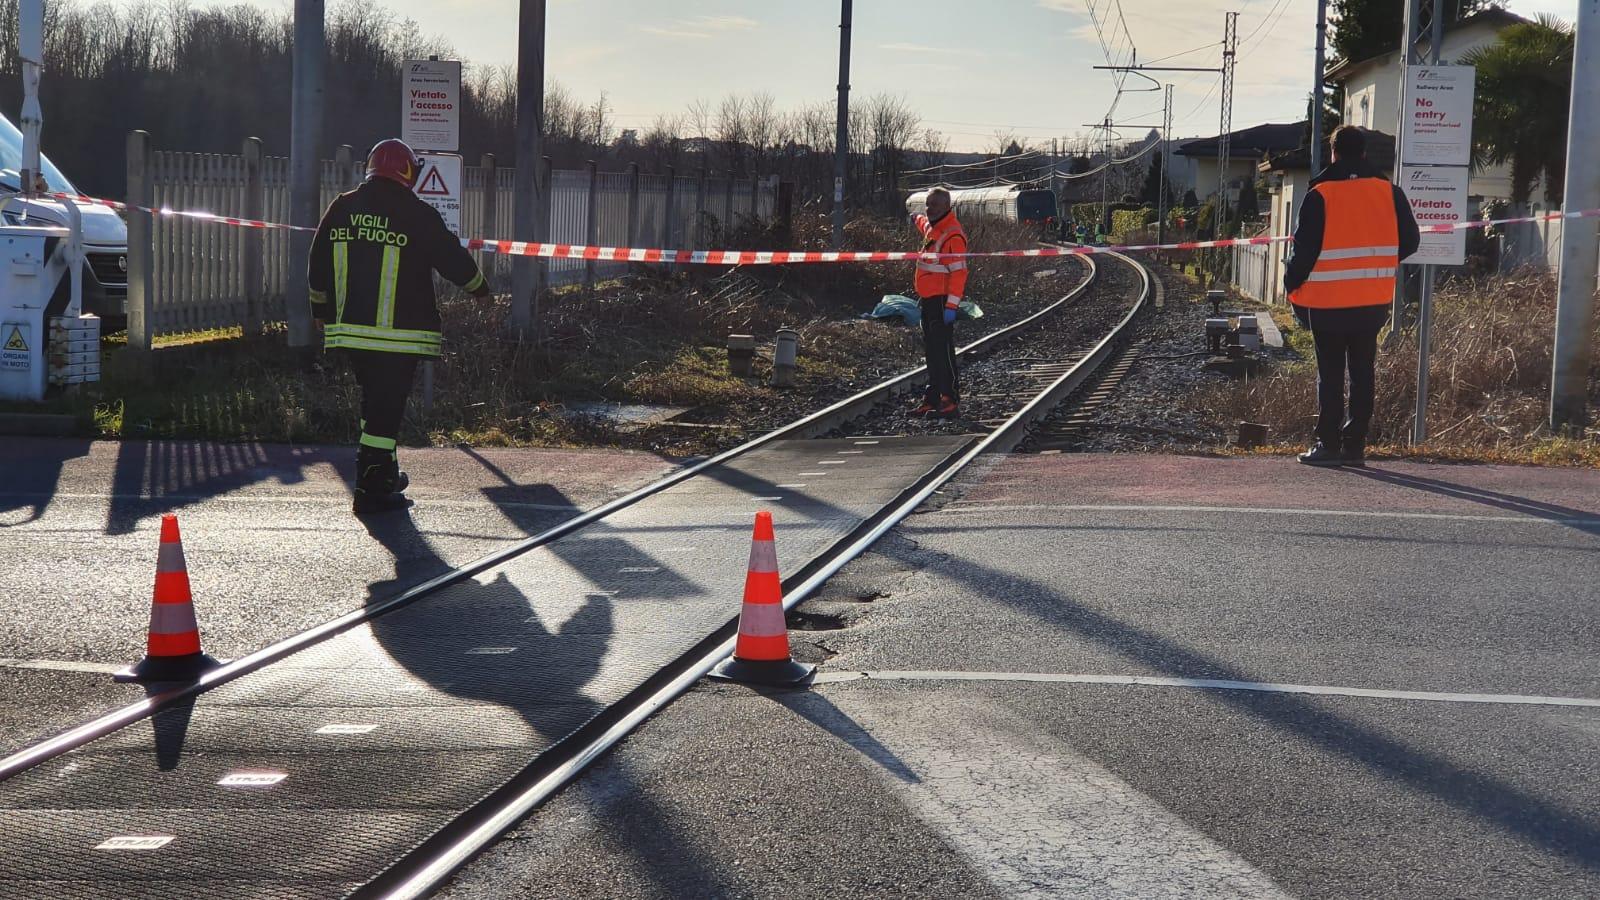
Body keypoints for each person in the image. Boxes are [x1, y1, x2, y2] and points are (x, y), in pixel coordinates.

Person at [307, 138, 490, 513]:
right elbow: (450, 257)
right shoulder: (415, 212)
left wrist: (320, 311)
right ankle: (372, 490)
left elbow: (317, 263)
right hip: (398, 336)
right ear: (407, 172)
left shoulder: (341, 208)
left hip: (351, 334)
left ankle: (384, 473)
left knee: (374, 406)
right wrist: (481, 290)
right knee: (384, 411)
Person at [1285, 125, 1420, 467]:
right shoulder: (1390, 193)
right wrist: (1379, 263)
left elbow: (1304, 251)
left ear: (1333, 153)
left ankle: (1327, 444)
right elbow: (1411, 241)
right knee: (1363, 372)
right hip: (1371, 301)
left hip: (1326, 302)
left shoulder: (1321, 194)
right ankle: (1354, 446)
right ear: (1363, 153)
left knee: (1330, 373)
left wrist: (1291, 283)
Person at [910, 187, 967, 418]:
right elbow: (924, 223)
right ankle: (932, 398)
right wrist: (917, 218)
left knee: (943, 352)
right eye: (927, 204)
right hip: (929, 301)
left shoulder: (952, 235)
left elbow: (959, 273)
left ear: (945, 207)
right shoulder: (934, 229)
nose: (928, 208)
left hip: (942, 302)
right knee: (932, 353)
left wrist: (952, 306)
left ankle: (949, 399)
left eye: (933, 205)